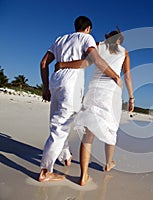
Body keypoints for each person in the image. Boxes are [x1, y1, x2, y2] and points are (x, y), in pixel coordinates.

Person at [39, 16, 122, 182]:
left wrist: (45, 86)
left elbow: (43, 63)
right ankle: (45, 171)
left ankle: (65, 156)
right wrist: (115, 77)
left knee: (57, 123)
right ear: (89, 28)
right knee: (61, 127)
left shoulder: (60, 39)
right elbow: (94, 60)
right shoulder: (86, 38)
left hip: (55, 83)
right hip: (71, 86)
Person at [56, 28, 134, 186]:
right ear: (119, 41)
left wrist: (64, 64)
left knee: (88, 133)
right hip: (111, 94)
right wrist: (131, 98)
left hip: (95, 91)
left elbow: (84, 63)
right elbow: (127, 77)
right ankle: (108, 163)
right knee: (111, 129)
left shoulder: (97, 46)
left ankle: (83, 175)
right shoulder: (124, 53)